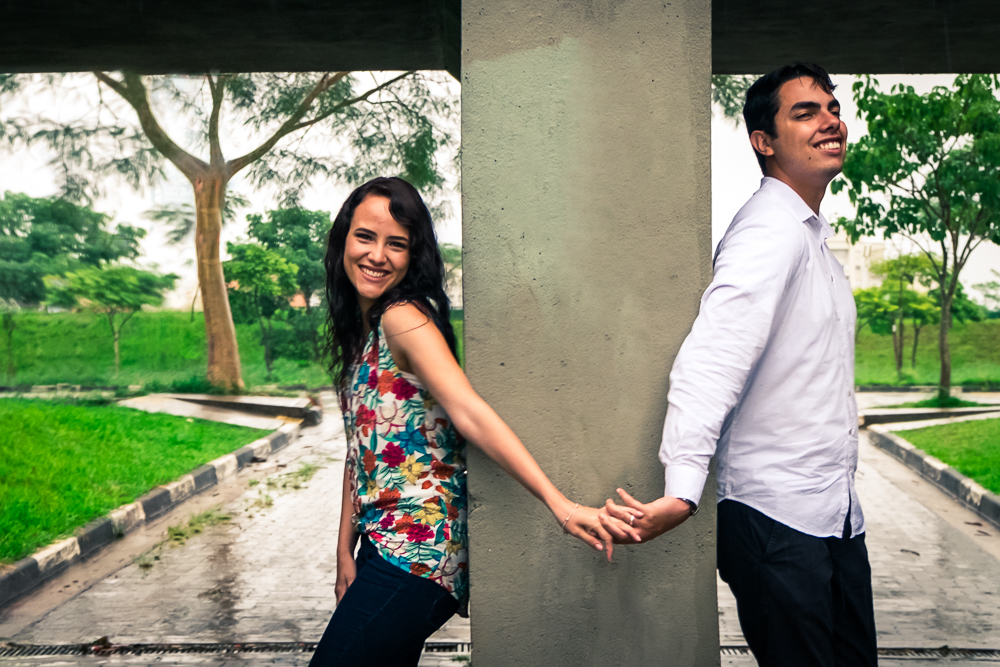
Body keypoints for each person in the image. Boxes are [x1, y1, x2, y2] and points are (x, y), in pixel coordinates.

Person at [599, 64, 878, 667]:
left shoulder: (808, 238)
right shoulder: (767, 233)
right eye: (805, 112)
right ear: (764, 141)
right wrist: (681, 489)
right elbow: (712, 358)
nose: (830, 120)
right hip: (778, 523)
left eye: (831, 108)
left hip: (831, 517)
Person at [309, 177, 635, 666]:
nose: (377, 255)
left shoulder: (402, 319)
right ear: (343, 241)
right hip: (382, 544)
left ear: (412, 255)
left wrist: (560, 505)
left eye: (396, 244)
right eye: (365, 237)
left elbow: (469, 411)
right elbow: (360, 456)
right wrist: (344, 554)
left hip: (419, 549)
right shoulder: (364, 333)